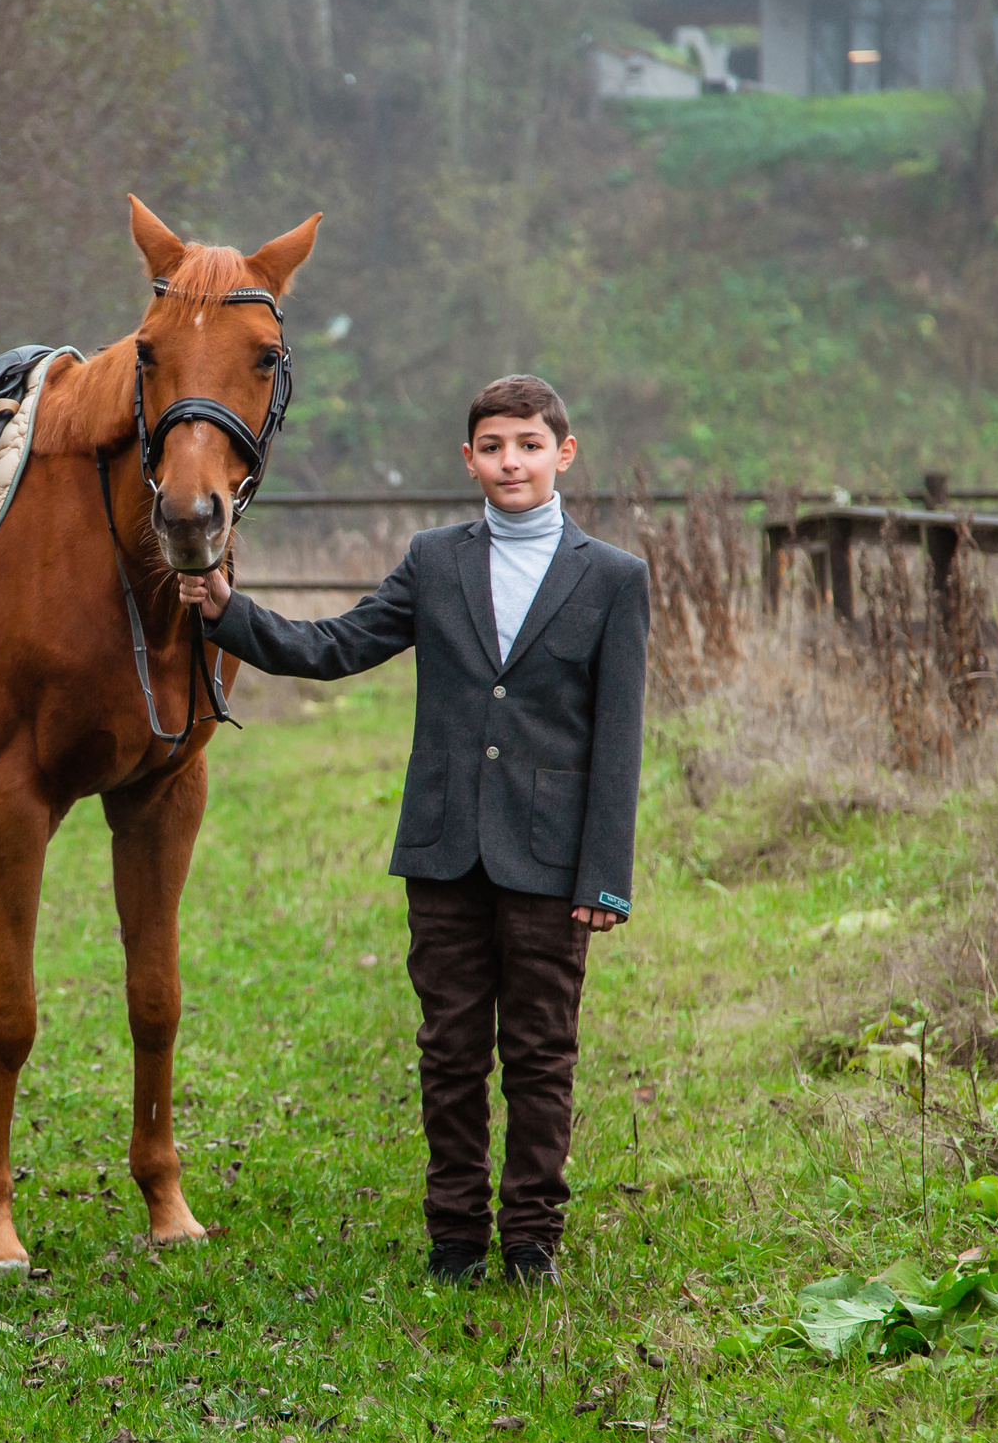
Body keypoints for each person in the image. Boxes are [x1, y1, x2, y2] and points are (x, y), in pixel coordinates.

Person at [179, 375, 647, 1289]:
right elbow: (336, 646)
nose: (511, 460)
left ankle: (532, 1242)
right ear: (467, 458)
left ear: (564, 452)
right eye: (493, 446)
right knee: (452, 1050)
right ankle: (456, 1239)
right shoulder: (435, 560)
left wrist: (606, 877)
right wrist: (228, 610)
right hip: (444, 850)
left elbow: (619, 737)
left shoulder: (613, 577)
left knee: (542, 1053)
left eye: (528, 444)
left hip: (551, 861)